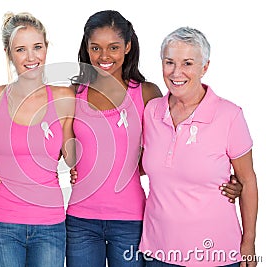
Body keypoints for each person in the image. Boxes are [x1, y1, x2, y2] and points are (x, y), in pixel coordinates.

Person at [66, 11, 243, 267]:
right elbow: (53, 148)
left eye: (113, 47)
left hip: (131, 220)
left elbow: (166, 148)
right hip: (80, 220)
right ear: (87, 48)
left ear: (127, 47)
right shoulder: (73, 94)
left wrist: (220, 179)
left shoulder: (147, 93)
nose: (104, 56)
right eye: (96, 48)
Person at [139, 27, 258, 267]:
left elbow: (247, 181)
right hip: (158, 252)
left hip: (216, 254)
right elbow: (143, 165)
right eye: (169, 62)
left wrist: (249, 243)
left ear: (205, 67)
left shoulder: (229, 115)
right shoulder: (152, 111)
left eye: (188, 63)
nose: (176, 72)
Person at [0, 12, 75, 267]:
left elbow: (72, 156)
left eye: (37, 47)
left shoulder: (65, 98)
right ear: (9, 54)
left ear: (46, 48)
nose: (31, 58)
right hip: (1, 225)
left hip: (50, 225)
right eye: (21, 50)